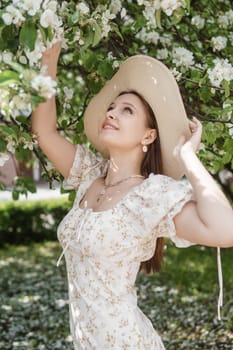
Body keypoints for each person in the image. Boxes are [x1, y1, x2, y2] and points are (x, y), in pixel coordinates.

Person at [32, 42, 233, 350]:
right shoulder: (90, 175)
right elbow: (45, 133)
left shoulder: (151, 195)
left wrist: (187, 157)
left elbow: (226, 229)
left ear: (148, 136)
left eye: (126, 111)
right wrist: (49, 59)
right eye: (112, 108)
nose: (111, 113)